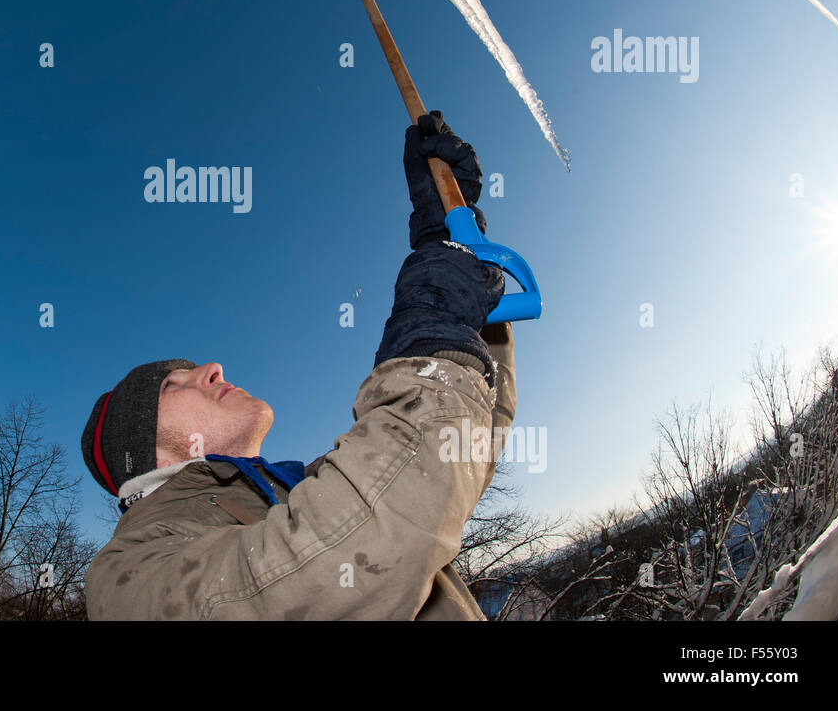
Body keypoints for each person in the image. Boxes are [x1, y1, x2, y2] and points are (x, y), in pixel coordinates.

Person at [80, 112, 517, 619]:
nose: (213, 369)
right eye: (173, 384)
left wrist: (448, 239)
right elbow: (329, 560)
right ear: (141, 451)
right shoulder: (128, 574)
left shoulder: (301, 492)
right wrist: (431, 331)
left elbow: (455, 457)